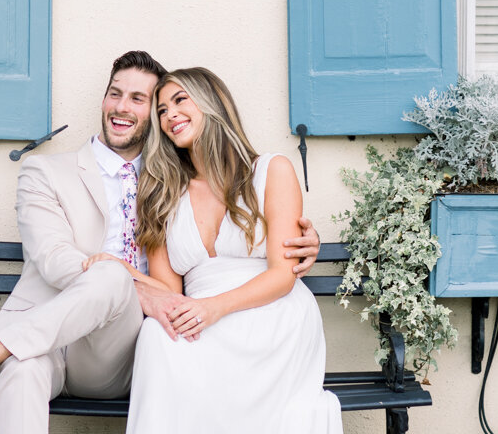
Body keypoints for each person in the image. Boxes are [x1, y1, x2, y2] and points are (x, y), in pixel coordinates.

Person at [0, 52, 323, 431]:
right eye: (115, 92)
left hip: (116, 350)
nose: (123, 107)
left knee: (109, 277)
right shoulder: (45, 172)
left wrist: (294, 241)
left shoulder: (162, 184)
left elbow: (209, 272)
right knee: (21, 367)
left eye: (141, 99)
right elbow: (55, 261)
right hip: (45, 333)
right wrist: (119, 277)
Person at [98, 67, 342, 432]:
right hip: (195, 315)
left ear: (214, 103)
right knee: (156, 337)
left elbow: (282, 277)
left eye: (180, 100)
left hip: (268, 311)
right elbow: (168, 294)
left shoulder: (271, 170)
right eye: (161, 110)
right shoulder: (162, 192)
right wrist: (120, 270)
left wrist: (212, 309)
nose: (169, 116)